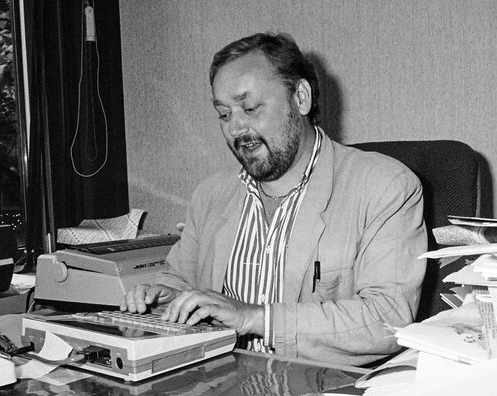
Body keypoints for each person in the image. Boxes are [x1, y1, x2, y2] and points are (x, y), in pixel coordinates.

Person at [121, 32, 426, 367]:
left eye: (250, 108)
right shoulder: (211, 195)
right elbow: (178, 279)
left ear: (301, 98)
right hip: (221, 394)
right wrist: (163, 299)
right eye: (224, 114)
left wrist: (254, 318)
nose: (236, 128)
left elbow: (387, 320)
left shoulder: (384, 186)